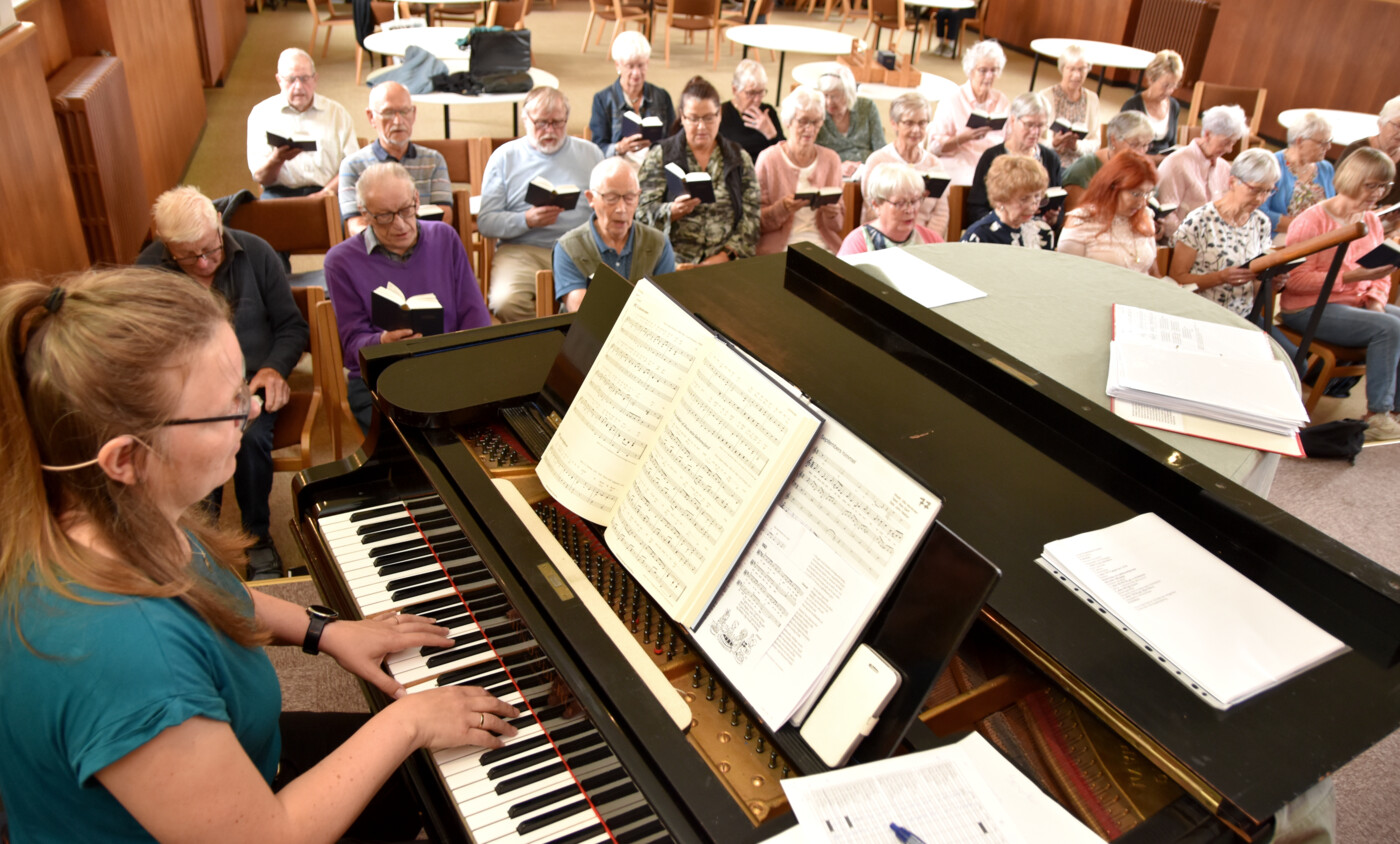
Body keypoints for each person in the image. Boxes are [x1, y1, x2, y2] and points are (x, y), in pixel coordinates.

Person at [0, 267, 519, 843]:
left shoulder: (102, 512)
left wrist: (325, 631)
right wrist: (411, 720)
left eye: (242, 387)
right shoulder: (126, 656)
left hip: (247, 757)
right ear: (126, 459)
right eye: (226, 408)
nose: (251, 412)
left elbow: (211, 590)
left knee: (422, 788)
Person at [135, 186, 308, 581]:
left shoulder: (257, 253)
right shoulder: (145, 272)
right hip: (183, 395)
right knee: (189, 444)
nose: (202, 262)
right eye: (187, 255)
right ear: (167, 245)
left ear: (218, 226)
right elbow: (140, 348)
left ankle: (257, 536)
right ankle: (200, 542)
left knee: (248, 437)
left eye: (210, 249)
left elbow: (291, 326)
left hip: (250, 386)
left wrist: (275, 369)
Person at [325, 163, 491, 432]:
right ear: (365, 215)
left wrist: (462, 366)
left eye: (405, 210)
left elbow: (476, 317)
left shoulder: (444, 237)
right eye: (385, 217)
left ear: (416, 199)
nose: (400, 224)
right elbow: (351, 347)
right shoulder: (340, 261)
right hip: (383, 376)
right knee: (411, 441)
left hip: (447, 364)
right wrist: (382, 341)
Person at [1281, 148, 1400, 441]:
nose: (1378, 192)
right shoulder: (1313, 220)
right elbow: (1294, 280)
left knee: (1389, 320)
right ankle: (1377, 415)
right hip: (1307, 309)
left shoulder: (1371, 220)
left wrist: (1375, 302)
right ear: (1352, 178)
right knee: (1390, 327)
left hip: (1355, 303)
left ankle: (1395, 409)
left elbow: (1380, 271)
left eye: (1384, 186)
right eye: (1370, 184)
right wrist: (1351, 277)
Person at [479, 87, 605, 322]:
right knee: (505, 302)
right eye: (541, 123)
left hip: (579, 248)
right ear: (525, 120)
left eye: (557, 123)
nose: (550, 131)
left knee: (604, 301)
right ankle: (545, 342)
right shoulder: (504, 157)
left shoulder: (591, 154)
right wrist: (525, 220)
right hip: (522, 249)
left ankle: (572, 345)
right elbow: (486, 222)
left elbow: (607, 206)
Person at [1169, 149, 1297, 349]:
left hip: (1244, 316)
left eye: (1268, 191)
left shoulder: (1261, 223)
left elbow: (1256, 285)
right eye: (1255, 189)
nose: (1261, 199)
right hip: (1203, 315)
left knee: (1294, 361)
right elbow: (1177, 279)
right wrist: (1220, 277)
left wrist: (1272, 283)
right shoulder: (1200, 220)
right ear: (1232, 182)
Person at [638, 75, 761, 266]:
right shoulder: (661, 155)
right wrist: (671, 211)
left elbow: (751, 220)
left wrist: (724, 256)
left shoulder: (738, 158)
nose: (701, 127)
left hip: (725, 262)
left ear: (719, 115)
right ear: (682, 116)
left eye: (709, 118)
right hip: (672, 261)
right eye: (694, 119)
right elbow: (640, 214)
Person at [552, 158, 676, 312]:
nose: (621, 208)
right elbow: (582, 313)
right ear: (591, 198)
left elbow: (665, 309)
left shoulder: (658, 243)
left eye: (630, 198)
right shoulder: (568, 247)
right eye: (611, 198)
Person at [338, 81, 453, 237]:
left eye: (405, 111)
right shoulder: (352, 166)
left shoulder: (433, 160)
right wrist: (392, 243)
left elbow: (444, 216)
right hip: (375, 255)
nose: (398, 121)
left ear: (414, 114)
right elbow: (355, 225)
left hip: (424, 246)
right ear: (371, 117)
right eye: (389, 113)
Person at [246, 48, 357, 199]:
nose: (298, 86)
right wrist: (276, 159)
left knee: (348, 219)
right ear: (279, 80)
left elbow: (352, 167)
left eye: (304, 79)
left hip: (329, 192)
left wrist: (326, 193)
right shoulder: (261, 114)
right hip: (279, 193)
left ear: (315, 79)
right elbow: (260, 177)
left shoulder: (337, 114)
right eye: (291, 80)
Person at [756, 86, 845, 254]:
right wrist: (782, 208)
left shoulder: (831, 160)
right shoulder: (768, 159)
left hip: (823, 247)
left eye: (816, 122)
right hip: (780, 249)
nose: (810, 129)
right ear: (788, 122)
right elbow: (757, 223)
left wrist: (832, 213)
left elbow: (838, 226)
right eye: (803, 121)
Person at [1056, 152, 1161, 276]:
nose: (1142, 202)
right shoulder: (1082, 221)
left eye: (1147, 193)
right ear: (1112, 188)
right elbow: (1066, 274)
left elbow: (1152, 271)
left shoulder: (1144, 216)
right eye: (1136, 194)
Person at [862, 92, 950, 239]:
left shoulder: (935, 164)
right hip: (885, 239)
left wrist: (926, 241)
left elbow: (941, 214)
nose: (916, 130)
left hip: (925, 242)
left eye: (922, 123)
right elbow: (871, 210)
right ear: (894, 124)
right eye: (909, 123)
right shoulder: (878, 161)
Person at [966, 92, 1063, 225]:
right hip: (997, 233)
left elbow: (1059, 209)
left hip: (1037, 232)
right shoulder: (992, 157)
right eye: (1029, 125)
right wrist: (1007, 220)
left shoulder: (1051, 159)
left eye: (1041, 125)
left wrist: (1053, 219)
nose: (1035, 132)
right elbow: (976, 208)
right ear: (1012, 121)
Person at [1155, 104, 1248, 238]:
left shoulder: (1224, 168)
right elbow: (1166, 217)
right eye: (1226, 142)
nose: (1229, 150)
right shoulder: (1176, 164)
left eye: (1233, 143)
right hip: (1183, 241)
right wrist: (1195, 243)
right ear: (1207, 134)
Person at [928, 39, 1011, 186]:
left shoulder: (1002, 100)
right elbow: (933, 147)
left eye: (994, 70)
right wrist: (962, 138)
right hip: (960, 162)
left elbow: (1010, 140)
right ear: (971, 71)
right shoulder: (951, 100)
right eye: (983, 70)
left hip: (995, 165)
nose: (989, 76)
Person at [588, 31, 676, 164]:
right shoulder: (603, 100)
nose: (636, 73)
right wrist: (619, 147)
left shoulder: (662, 97)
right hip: (619, 168)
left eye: (641, 65)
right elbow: (597, 149)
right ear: (618, 65)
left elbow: (674, 141)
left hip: (655, 169)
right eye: (630, 66)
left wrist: (659, 148)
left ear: (647, 63)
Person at [838, 162, 944, 254]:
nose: (910, 210)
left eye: (914, 201)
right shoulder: (858, 243)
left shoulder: (931, 239)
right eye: (900, 203)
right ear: (876, 205)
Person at [1261, 112, 1336, 236]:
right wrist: (1307, 228)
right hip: (1279, 237)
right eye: (1323, 142)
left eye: (1330, 141)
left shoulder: (1326, 168)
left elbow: (1331, 209)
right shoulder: (1271, 166)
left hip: (1318, 238)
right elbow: (1261, 213)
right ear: (1300, 141)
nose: (1328, 147)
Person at [1062, 111, 1153, 211]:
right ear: (1113, 139)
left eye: (1145, 145)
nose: (1140, 152)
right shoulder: (1084, 171)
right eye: (1134, 144)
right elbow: (1073, 219)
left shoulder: (1139, 167)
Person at [960, 155, 1055, 249]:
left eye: (1037, 197)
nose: (1033, 207)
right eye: (1024, 199)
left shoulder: (1043, 232)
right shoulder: (979, 236)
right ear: (1001, 198)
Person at [815, 65, 884, 178]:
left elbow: (880, 149)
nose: (829, 102)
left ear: (848, 94)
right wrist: (837, 168)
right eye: (825, 95)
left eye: (834, 96)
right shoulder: (817, 113)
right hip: (831, 175)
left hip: (867, 173)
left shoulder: (867, 107)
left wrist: (868, 169)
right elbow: (810, 156)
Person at [1038, 43, 1100, 167]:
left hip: (1079, 164)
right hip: (1048, 161)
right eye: (1071, 69)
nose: (1077, 75)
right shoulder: (1045, 96)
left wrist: (1076, 146)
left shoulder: (1092, 99)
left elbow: (1096, 141)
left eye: (1082, 69)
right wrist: (1053, 144)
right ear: (1062, 69)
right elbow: (1034, 138)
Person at [1337, 96, 1400, 214]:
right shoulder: (1358, 150)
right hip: (1352, 219)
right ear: (1381, 124)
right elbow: (1338, 193)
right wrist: (1371, 212)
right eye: (1398, 126)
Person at [1120, 50, 1183, 160]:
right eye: (1165, 85)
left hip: (1164, 166)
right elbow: (1124, 150)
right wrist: (1158, 160)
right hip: (1137, 165)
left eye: (1173, 86)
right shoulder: (1132, 106)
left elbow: (1172, 145)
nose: (1169, 91)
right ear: (1151, 79)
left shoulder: (1174, 106)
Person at [719, 59, 785, 164]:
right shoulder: (720, 114)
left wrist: (772, 134)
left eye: (761, 92)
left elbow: (785, 157)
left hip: (765, 173)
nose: (757, 99)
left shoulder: (769, 112)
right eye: (751, 93)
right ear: (735, 90)